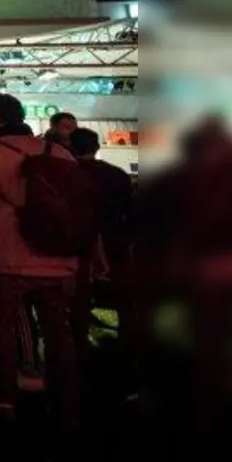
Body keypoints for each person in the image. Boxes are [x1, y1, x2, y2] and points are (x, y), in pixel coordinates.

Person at [0, 91, 80, 427]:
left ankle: (7, 397)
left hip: (9, 254)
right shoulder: (55, 150)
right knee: (59, 329)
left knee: (4, 326)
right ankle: (67, 399)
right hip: (56, 251)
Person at [68, 127, 133, 359]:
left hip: (76, 242)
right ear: (96, 148)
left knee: (79, 295)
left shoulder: (67, 175)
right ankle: (127, 343)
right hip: (114, 240)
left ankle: (79, 345)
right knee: (124, 296)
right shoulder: (116, 174)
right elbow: (130, 210)